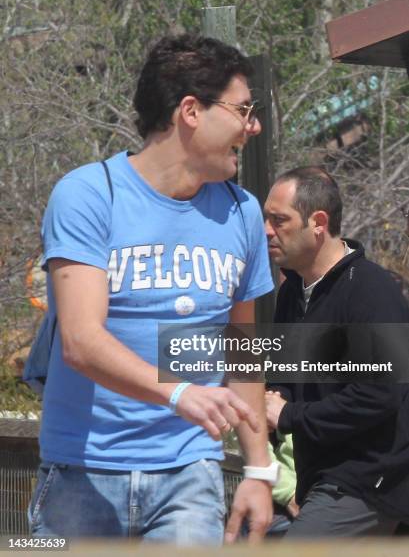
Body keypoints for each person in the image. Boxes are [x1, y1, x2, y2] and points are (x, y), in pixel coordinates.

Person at [28, 34, 277, 544]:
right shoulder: (88, 195)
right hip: (81, 471)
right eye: (243, 109)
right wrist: (178, 392)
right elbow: (79, 339)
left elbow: (243, 348)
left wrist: (258, 470)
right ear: (191, 110)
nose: (252, 126)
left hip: (191, 473)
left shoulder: (243, 212)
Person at [264, 165, 409, 537]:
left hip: (371, 480)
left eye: (279, 220)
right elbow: (286, 381)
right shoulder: (292, 294)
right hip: (322, 478)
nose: (267, 231)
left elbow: (381, 393)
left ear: (318, 222)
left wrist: (290, 415)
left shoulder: (371, 290)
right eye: (266, 219)